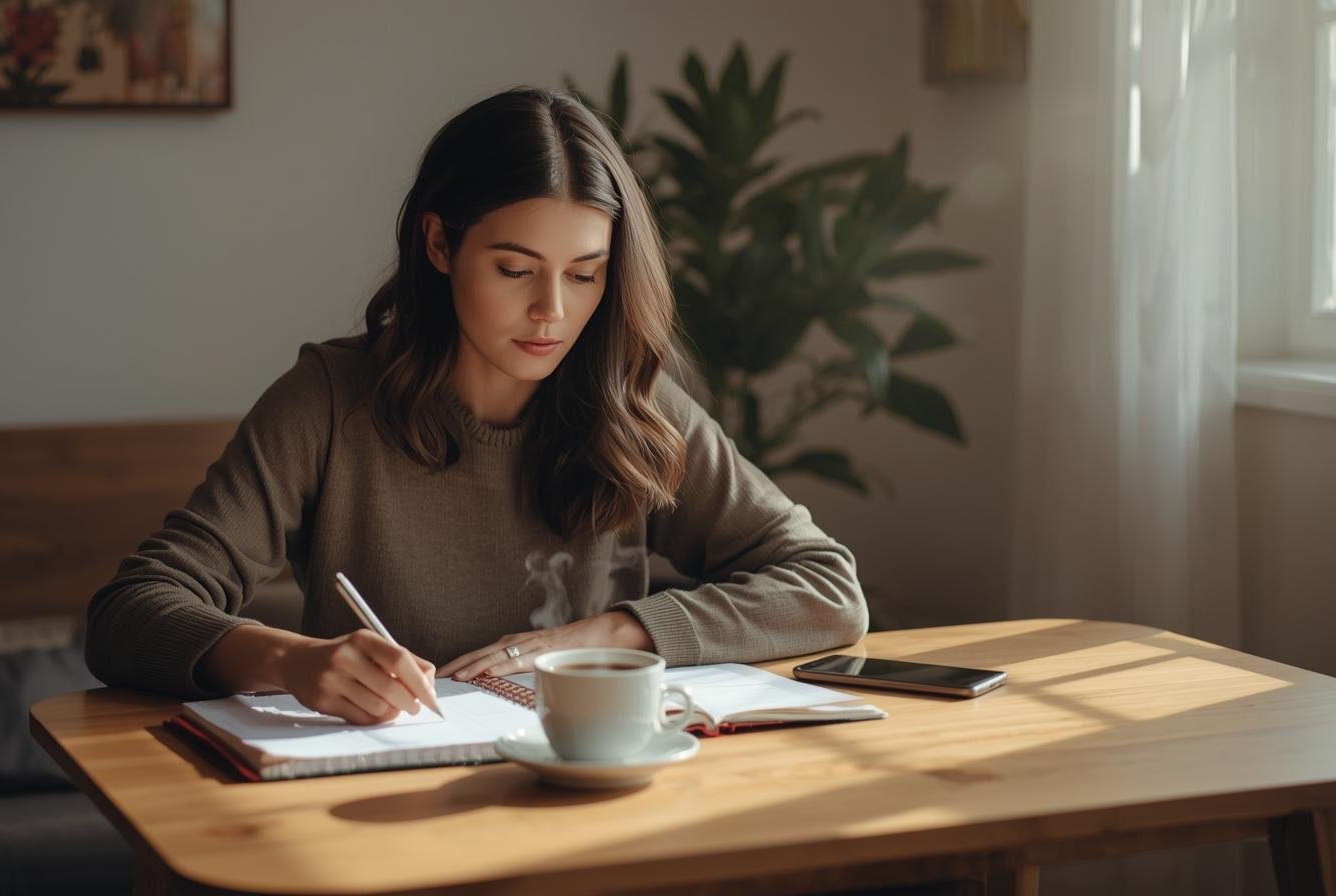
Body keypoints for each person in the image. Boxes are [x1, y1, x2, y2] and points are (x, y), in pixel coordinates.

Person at [84, 85, 869, 726]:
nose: (552, 312)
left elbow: (827, 588)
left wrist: (608, 635)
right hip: (380, 800)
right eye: (515, 269)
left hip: (590, 800)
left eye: (585, 274)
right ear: (439, 245)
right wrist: (291, 660)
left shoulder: (631, 406)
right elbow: (129, 613)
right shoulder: (329, 403)